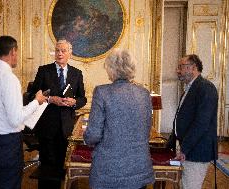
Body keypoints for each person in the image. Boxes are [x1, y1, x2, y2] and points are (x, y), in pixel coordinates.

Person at [0, 35, 47, 189]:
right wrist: (37, 101)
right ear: (13, 52)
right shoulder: (10, 79)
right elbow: (15, 119)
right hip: (7, 143)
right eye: (17, 52)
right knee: (10, 184)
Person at [83, 49, 154, 189]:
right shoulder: (144, 93)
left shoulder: (102, 92)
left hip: (109, 171)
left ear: (111, 68)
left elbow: (93, 135)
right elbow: (146, 130)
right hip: (139, 168)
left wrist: (87, 137)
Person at [28, 39, 87, 188]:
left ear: (70, 53)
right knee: (47, 168)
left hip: (67, 128)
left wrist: (75, 102)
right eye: (57, 50)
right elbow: (31, 95)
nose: (59, 53)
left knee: (63, 166)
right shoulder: (44, 70)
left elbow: (83, 98)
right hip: (47, 126)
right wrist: (49, 99)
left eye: (63, 51)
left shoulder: (77, 73)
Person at [173, 54, 218, 189]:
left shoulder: (206, 88)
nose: (178, 71)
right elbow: (181, 118)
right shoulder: (190, 88)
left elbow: (201, 124)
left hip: (197, 151)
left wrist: (184, 149)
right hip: (188, 149)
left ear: (193, 68)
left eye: (180, 67)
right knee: (184, 185)